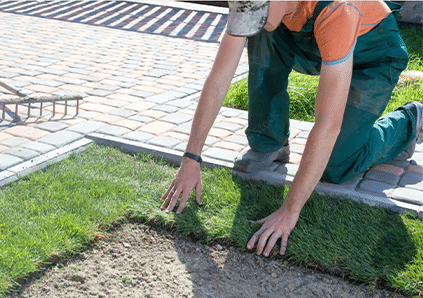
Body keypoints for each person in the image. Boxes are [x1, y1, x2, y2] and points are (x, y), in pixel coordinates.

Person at [160, 0, 423, 257]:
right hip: (311, 37)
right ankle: (270, 142)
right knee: (263, 32)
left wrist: (289, 210)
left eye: (258, 8)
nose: (253, 15)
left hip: (371, 54)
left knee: (335, 166)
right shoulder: (258, 6)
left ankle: (409, 119)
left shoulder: (339, 9)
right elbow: (218, 80)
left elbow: (327, 125)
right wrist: (191, 158)